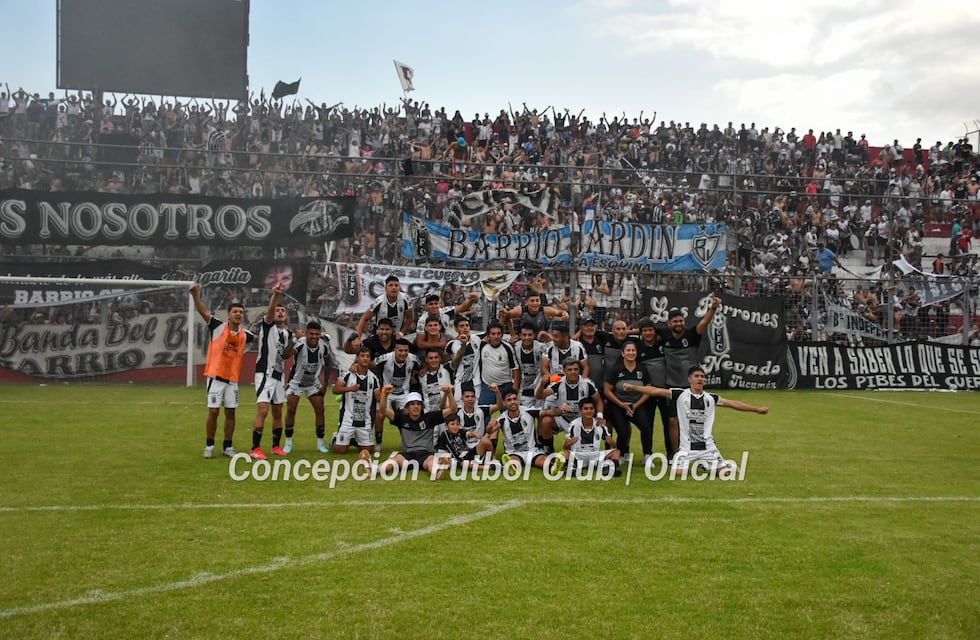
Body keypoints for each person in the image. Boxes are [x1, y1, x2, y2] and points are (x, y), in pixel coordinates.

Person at [625, 365, 768, 477]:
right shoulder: (680, 394)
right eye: (697, 376)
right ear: (690, 379)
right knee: (678, 474)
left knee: (725, 474)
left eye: (702, 376)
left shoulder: (711, 398)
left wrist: (756, 409)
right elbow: (656, 391)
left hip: (708, 447)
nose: (700, 379)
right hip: (687, 448)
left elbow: (733, 403)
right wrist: (634, 387)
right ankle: (705, 464)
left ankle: (724, 464)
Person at [189, 283, 255, 459]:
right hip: (216, 377)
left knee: (231, 413)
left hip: (232, 380)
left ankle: (228, 446)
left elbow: (260, 338)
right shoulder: (218, 327)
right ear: (228, 315)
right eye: (235, 311)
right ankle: (209, 445)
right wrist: (195, 295)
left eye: (241, 312)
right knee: (214, 411)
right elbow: (203, 312)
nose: (238, 314)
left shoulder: (245, 335)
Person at [250, 286, 295, 460]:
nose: (280, 312)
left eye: (283, 311)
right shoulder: (268, 326)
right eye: (277, 310)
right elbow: (270, 313)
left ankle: (276, 446)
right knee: (263, 410)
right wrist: (275, 296)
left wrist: (294, 342)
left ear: (287, 315)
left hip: (278, 376)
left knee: (278, 412)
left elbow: (285, 355)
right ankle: (255, 448)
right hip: (265, 374)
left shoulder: (288, 333)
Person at [376, 387, 457, 479]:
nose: (416, 406)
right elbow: (383, 410)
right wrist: (385, 394)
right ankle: (375, 470)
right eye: (412, 404)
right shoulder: (401, 419)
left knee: (431, 462)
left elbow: (453, 409)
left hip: (426, 454)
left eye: (418, 404)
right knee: (394, 460)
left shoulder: (430, 418)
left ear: (422, 407)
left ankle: (438, 472)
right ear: (407, 407)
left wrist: (449, 393)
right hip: (408, 454)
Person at [282, 321, 337, 455]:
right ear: (306, 334)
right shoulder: (300, 343)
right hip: (296, 382)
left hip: (313, 383)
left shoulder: (323, 345)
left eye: (317, 334)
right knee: (291, 409)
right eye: (311, 334)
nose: (314, 337)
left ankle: (320, 443)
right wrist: (294, 339)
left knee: (320, 410)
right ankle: (288, 442)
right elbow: (285, 355)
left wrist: (325, 383)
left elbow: (328, 364)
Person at [535, 357, 604, 454]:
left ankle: (592, 449)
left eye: (576, 369)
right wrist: (542, 384)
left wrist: (600, 416)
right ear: (564, 371)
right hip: (563, 418)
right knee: (546, 421)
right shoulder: (558, 382)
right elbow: (539, 396)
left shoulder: (587, 383)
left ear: (579, 370)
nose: (573, 372)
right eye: (570, 370)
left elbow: (598, 401)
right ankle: (549, 450)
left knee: (578, 451)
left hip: (580, 420)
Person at [488, 387, 563, 474]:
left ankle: (554, 467)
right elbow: (490, 431)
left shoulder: (528, 411)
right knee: (514, 461)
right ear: (504, 403)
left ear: (518, 400)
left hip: (532, 451)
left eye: (514, 399)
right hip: (514, 452)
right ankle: (510, 466)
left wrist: (561, 410)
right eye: (509, 400)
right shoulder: (501, 419)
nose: (513, 402)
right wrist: (490, 427)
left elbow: (548, 412)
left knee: (543, 461)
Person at [603, 339, 654, 467]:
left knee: (646, 427)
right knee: (623, 431)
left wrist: (636, 405)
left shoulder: (642, 368)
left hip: (637, 405)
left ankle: (647, 455)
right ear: (622, 353)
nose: (631, 353)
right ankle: (621, 455)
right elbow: (607, 390)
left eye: (633, 350)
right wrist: (621, 404)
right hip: (619, 405)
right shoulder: (616, 369)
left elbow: (648, 389)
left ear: (636, 352)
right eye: (628, 350)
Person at [330, 346, 382, 456]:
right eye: (362, 356)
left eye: (367, 356)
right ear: (357, 358)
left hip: (364, 420)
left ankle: (353, 440)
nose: (365, 358)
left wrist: (385, 393)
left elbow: (378, 397)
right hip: (348, 418)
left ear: (370, 359)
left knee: (367, 450)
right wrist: (350, 389)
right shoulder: (348, 374)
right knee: (339, 450)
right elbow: (335, 389)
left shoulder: (373, 378)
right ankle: (335, 438)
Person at [373, 338, 422, 453]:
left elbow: (421, 366)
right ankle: (379, 443)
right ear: (394, 350)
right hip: (387, 393)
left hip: (403, 393)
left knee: (408, 415)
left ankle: (408, 443)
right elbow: (371, 365)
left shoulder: (413, 359)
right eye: (400, 350)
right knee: (380, 415)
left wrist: (419, 372)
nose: (403, 353)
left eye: (406, 351)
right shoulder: (385, 358)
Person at [351, 275, 414, 348]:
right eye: (391, 285)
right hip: (379, 337)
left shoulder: (406, 299)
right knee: (362, 349)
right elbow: (365, 318)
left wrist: (401, 333)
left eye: (396, 285)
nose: (394, 287)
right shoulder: (379, 301)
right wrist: (358, 338)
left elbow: (410, 318)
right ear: (385, 288)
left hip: (396, 337)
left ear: (399, 288)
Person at [563, 397, 621, 477]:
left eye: (591, 408)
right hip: (579, 454)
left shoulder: (600, 424)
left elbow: (614, 446)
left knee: (616, 452)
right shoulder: (574, 424)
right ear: (580, 411)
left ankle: (613, 469)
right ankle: (572, 468)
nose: (589, 411)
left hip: (595, 455)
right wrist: (570, 442)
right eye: (586, 409)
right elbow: (565, 447)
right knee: (564, 452)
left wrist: (610, 441)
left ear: (595, 410)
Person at [474, 321, 520, 405]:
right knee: (483, 411)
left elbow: (515, 368)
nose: (496, 336)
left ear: (502, 335)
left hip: (505, 388)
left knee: (508, 411)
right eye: (493, 334)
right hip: (487, 387)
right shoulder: (482, 346)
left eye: (498, 334)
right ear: (488, 335)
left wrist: (515, 389)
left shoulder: (508, 347)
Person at [499, 292, 568, 341]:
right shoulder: (520, 311)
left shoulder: (545, 310)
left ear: (540, 301)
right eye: (532, 301)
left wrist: (565, 314)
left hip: (541, 340)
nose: (535, 303)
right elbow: (506, 316)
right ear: (526, 302)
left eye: (537, 300)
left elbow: (560, 312)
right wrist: (513, 334)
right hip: (525, 340)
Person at [446, 316, 482, 402]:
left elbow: (491, 333)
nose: (465, 328)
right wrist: (463, 344)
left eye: (467, 325)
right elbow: (458, 356)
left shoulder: (477, 339)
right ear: (456, 329)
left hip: (476, 383)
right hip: (460, 382)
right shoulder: (452, 344)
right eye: (461, 326)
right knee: (459, 408)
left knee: (476, 407)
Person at [414, 291, 479, 337]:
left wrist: (472, 300)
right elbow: (420, 343)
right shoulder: (422, 320)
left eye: (436, 303)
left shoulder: (444, 311)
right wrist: (442, 345)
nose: (434, 306)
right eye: (431, 304)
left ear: (439, 305)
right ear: (426, 306)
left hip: (443, 340)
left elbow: (463, 307)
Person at [514, 322, 547, 408]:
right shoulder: (515, 347)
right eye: (524, 335)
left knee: (540, 412)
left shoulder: (541, 347)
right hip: (525, 386)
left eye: (530, 335)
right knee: (525, 412)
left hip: (540, 385)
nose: (527, 338)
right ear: (520, 336)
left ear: (534, 335)